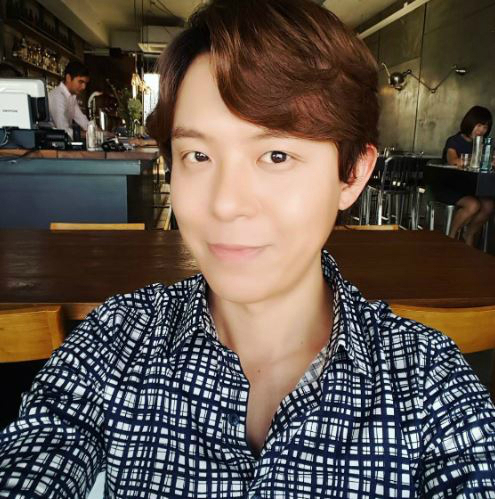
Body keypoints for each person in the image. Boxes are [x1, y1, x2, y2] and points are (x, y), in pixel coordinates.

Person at [1, 0, 495, 497]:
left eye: (276, 155)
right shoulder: (113, 342)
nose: (226, 204)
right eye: (198, 155)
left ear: (351, 175)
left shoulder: (430, 383)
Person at [439, 106, 495, 245]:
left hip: (472, 187)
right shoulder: (454, 141)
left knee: (489, 206)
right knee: (473, 205)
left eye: (485, 127)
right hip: (451, 186)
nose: (481, 130)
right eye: (479, 125)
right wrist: (480, 160)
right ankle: (451, 237)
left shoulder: (483, 145)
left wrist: (490, 160)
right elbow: (453, 160)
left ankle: (469, 233)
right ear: (470, 122)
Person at [48, 61, 90, 139]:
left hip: (61, 143)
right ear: (68, 78)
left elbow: (82, 120)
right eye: (81, 82)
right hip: (52, 144)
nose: (84, 87)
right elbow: (63, 130)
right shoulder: (58, 96)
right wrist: (89, 135)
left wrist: (101, 133)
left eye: (85, 83)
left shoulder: (71, 97)